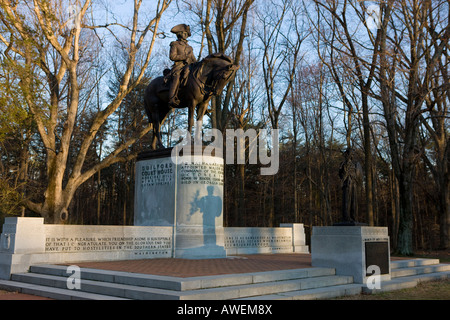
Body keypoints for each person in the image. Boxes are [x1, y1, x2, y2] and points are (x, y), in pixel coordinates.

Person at [167, 24, 197, 108]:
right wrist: (184, 57)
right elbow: (172, 57)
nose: (186, 35)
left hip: (189, 67)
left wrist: (199, 64)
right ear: (180, 33)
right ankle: (172, 98)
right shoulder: (175, 44)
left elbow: (193, 59)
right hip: (179, 67)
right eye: (185, 33)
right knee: (177, 77)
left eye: (187, 34)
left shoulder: (189, 47)